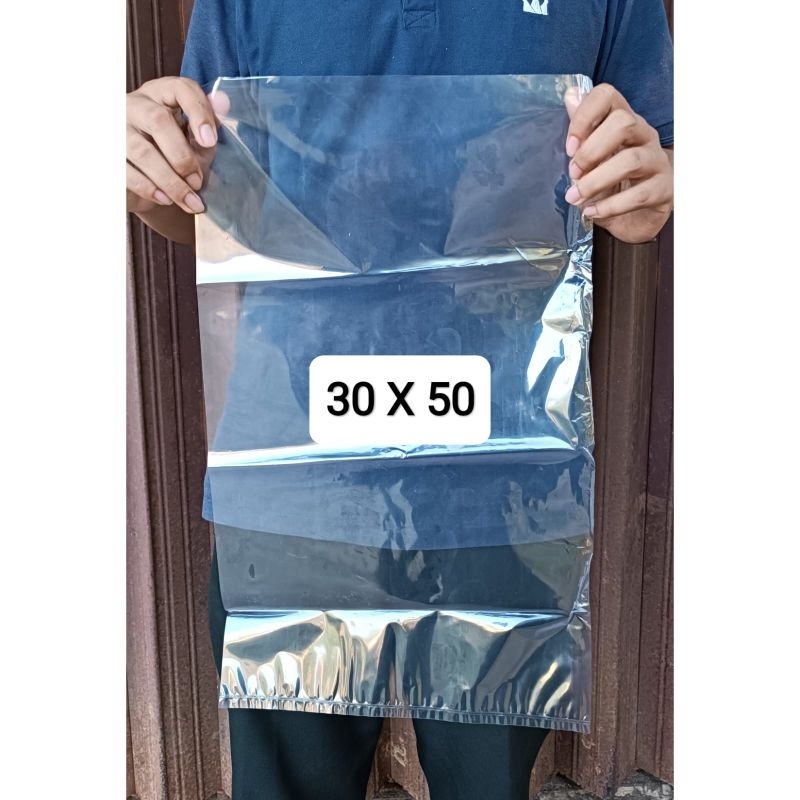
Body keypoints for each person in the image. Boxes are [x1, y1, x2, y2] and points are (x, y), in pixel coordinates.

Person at [126, 2, 673, 799]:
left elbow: (659, 153)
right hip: (296, 480)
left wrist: (659, 183)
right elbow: (210, 199)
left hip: (505, 490)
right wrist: (148, 179)